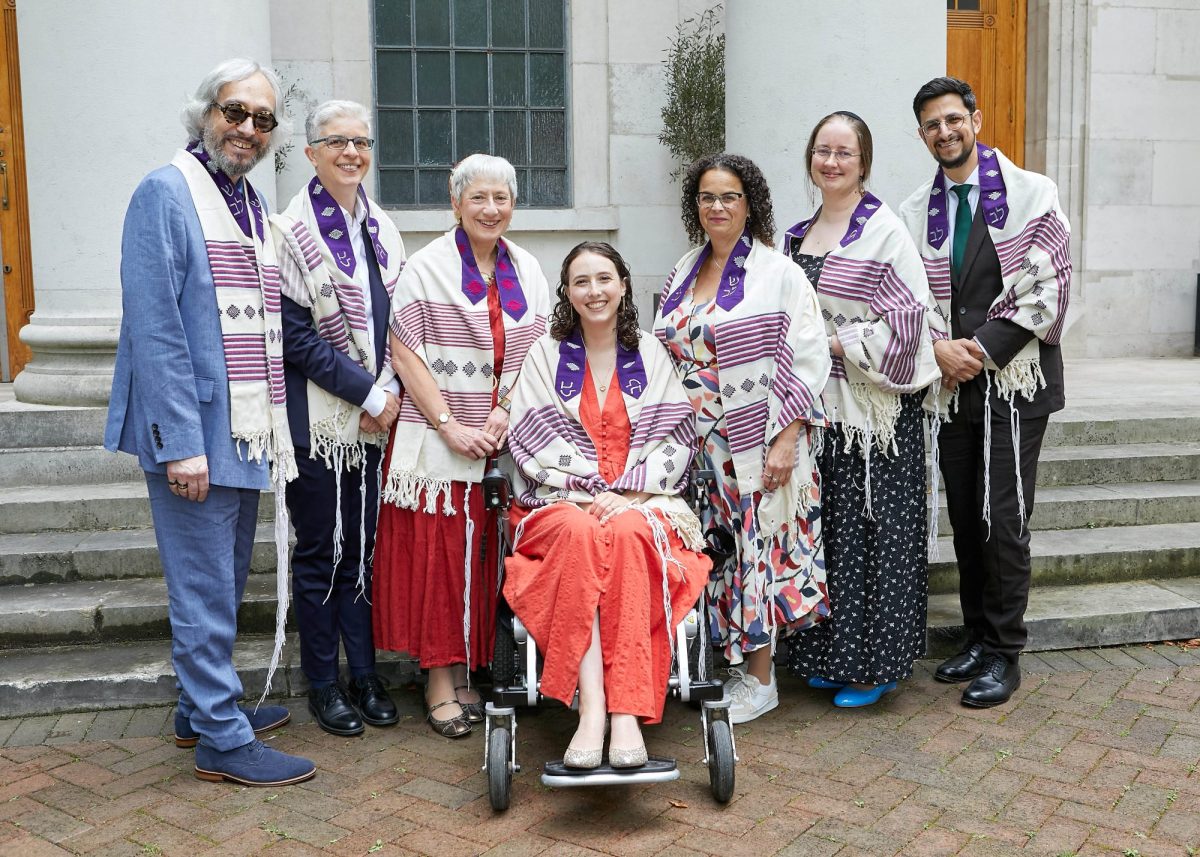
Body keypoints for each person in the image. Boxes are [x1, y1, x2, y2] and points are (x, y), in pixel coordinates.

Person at [104, 58, 314, 786]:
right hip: (193, 430)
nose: (248, 129)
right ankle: (223, 739)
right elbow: (155, 327)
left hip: (241, 425)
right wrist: (180, 445)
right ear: (205, 112)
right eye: (235, 112)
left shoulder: (244, 201)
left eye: (262, 119)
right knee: (201, 586)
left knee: (222, 581)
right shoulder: (166, 193)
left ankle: (202, 710)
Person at [899, 76, 1070, 708]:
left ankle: (1005, 651)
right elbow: (907, 299)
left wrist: (981, 351)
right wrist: (938, 351)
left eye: (952, 119)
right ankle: (975, 635)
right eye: (931, 126)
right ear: (922, 135)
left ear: (975, 116)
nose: (944, 132)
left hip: (1015, 382)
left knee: (1003, 517)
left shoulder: (1031, 192)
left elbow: (1050, 283)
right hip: (951, 386)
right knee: (967, 517)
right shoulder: (917, 209)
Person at [504, 242, 710, 768]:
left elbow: (674, 437)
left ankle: (626, 713)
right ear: (567, 293)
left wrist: (626, 496)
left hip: (641, 502)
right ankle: (592, 708)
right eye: (581, 282)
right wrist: (591, 494)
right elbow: (531, 439)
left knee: (627, 534)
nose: (594, 291)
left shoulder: (649, 352)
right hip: (558, 504)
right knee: (578, 532)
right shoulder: (545, 354)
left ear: (622, 285)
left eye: (604, 279)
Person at [372, 154, 549, 738]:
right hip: (437, 440)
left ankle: (472, 669)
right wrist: (450, 423)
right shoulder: (425, 268)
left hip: (502, 438)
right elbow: (404, 352)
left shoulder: (528, 268)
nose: (491, 209)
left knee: (483, 558)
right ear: (455, 202)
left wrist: (501, 413)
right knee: (440, 558)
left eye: (501, 198)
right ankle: (439, 683)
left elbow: (539, 353)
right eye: (478, 198)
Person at [654, 153, 832, 724]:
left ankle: (761, 679)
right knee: (716, 552)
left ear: (749, 202)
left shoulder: (779, 273)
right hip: (695, 450)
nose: (718, 207)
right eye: (707, 197)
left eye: (729, 196)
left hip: (753, 443)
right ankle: (726, 666)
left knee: (758, 552)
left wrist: (786, 439)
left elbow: (808, 361)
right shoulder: (686, 267)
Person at [782, 112, 940, 708]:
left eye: (844, 152)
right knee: (829, 535)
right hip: (821, 410)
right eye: (822, 150)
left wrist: (838, 343)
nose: (832, 161)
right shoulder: (797, 236)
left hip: (875, 416)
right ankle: (828, 655)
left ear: (864, 163)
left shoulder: (885, 233)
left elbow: (911, 322)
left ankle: (877, 666)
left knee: (879, 537)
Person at [270, 100, 404, 736]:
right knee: (323, 549)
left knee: (366, 549)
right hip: (321, 423)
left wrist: (393, 385)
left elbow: (403, 322)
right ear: (310, 152)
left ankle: (366, 675)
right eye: (337, 142)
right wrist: (372, 396)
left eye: (361, 141)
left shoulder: (382, 226)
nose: (352, 152)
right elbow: (298, 340)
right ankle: (325, 684)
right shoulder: (290, 231)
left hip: (377, 420)